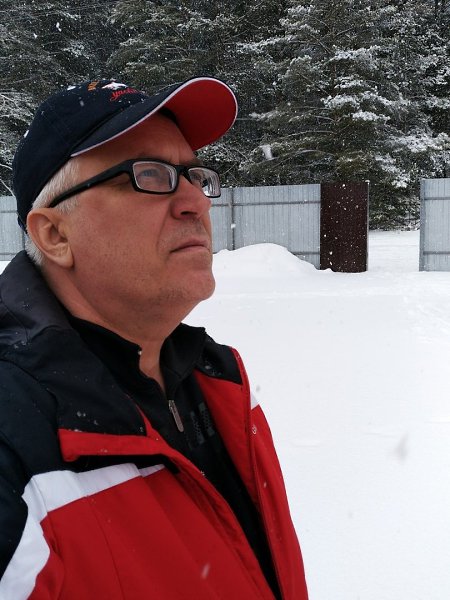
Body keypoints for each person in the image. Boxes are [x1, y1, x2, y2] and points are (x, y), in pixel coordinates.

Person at [0, 77, 309, 599]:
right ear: (54, 234)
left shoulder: (219, 382)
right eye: (148, 175)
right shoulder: (16, 444)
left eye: (195, 176)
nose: (195, 202)